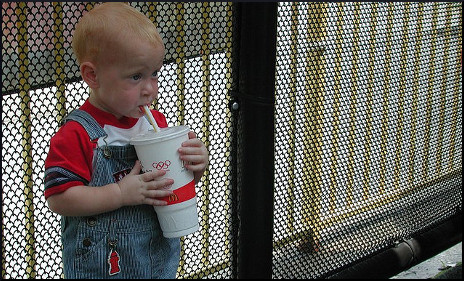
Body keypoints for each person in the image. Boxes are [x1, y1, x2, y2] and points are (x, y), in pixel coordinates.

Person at [43, 2, 209, 279]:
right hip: (102, 265)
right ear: (92, 76)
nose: (151, 89)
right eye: (136, 76)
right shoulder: (79, 133)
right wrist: (119, 194)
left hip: (156, 258)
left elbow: (171, 183)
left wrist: (196, 166)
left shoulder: (155, 124)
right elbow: (59, 197)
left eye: (154, 73)